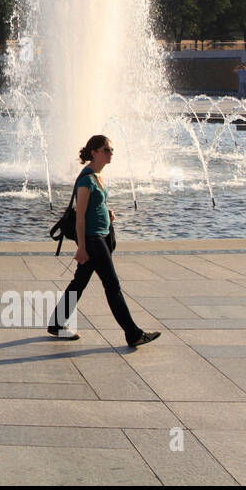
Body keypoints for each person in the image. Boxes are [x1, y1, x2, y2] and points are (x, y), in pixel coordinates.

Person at [48, 135, 160, 348]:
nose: (111, 153)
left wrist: (107, 213)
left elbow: (94, 206)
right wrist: (81, 247)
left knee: (79, 282)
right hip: (92, 240)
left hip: (101, 235)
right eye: (106, 150)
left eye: (111, 150)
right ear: (94, 152)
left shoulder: (98, 176)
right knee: (112, 285)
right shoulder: (87, 179)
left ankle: (56, 323)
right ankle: (133, 333)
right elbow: (80, 216)